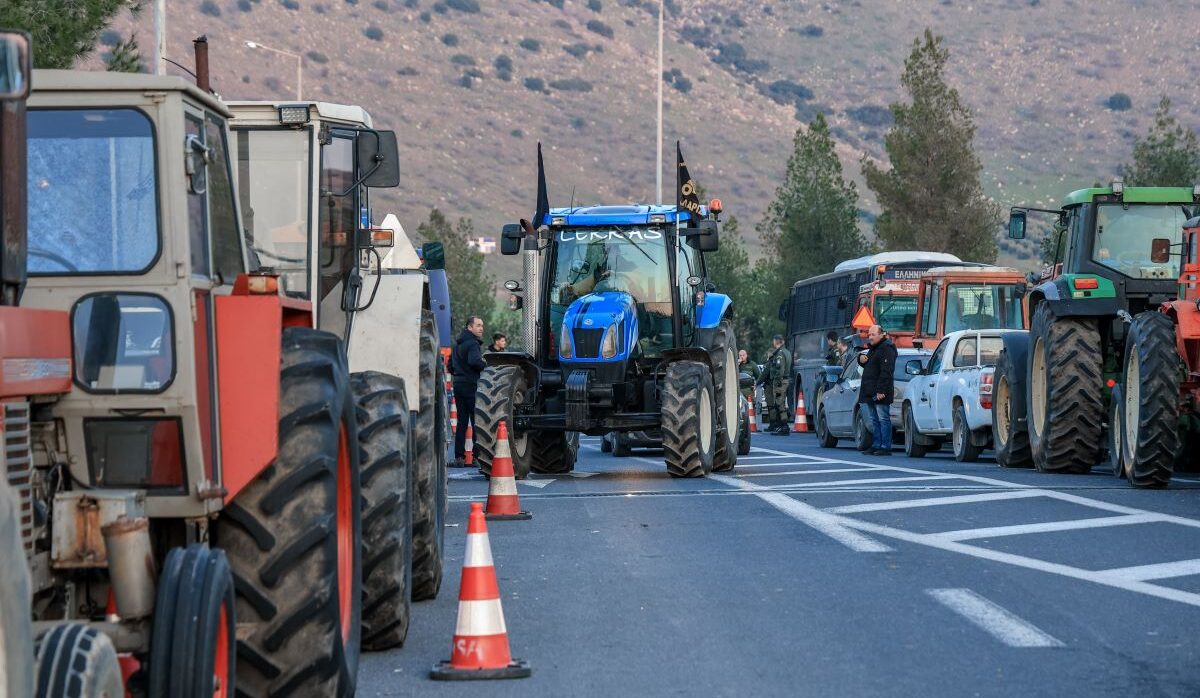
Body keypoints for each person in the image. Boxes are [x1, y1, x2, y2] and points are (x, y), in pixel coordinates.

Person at [450, 316, 486, 467]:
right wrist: (485, 364)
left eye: (482, 325)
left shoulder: (456, 344)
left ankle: (459, 457)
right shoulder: (472, 343)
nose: (481, 328)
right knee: (476, 421)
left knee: (462, 422)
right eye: (478, 325)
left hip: (458, 384)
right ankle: (478, 457)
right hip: (471, 385)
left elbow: (449, 367)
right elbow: (474, 361)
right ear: (469, 327)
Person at [858, 324, 897, 456]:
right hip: (870, 390)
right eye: (869, 334)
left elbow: (886, 371)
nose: (870, 337)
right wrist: (861, 360)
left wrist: (881, 391)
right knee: (874, 419)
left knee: (883, 419)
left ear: (882, 335)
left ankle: (885, 446)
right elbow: (869, 364)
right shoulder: (874, 348)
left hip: (880, 391)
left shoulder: (886, 348)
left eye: (873, 334)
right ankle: (876, 444)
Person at [760, 334, 792, 435]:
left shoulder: (780, 354)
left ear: (776, 342)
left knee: (779, 404)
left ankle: (784, 426)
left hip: (779, 382)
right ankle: (781, 426)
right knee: (780, 403)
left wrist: (777, 381)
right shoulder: (787, 352)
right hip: (784, 381)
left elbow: (780, 370)